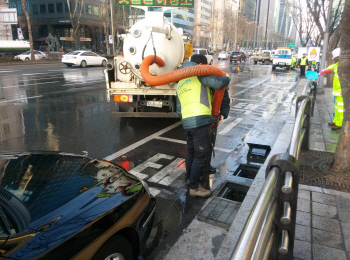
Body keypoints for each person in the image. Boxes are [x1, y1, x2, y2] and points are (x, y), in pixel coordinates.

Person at [176, 54, 230, 197]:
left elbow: (178, 108)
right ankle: (195, 188)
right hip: (200, 120)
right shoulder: (199, 74)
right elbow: (218, 83)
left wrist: (186, 118)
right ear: (201, 65)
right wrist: (227, 77)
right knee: (200, 155)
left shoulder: (181, 80)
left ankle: (190, 179)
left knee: (191, 152)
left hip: (187, 122)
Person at [320, 47, 342, 130]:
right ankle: (336, 120)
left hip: (341, 91)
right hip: (337, 91)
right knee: (336, 107)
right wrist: (324, 71)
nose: (335, 60)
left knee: (340, 108)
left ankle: (339, 124)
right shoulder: (337, 65)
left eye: (336, 58)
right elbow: (332, 69)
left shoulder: (344, 66)